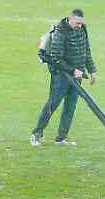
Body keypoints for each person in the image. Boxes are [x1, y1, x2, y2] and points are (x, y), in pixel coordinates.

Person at [31, 9, 98, 147]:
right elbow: (56, 59)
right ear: (70, 19)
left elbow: (86, 50)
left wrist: (92, 70)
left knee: (70, 106)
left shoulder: (82, 29)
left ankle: (61, 137)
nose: (80, 26)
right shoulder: (59, 33)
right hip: (61, 76)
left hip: (76, 75)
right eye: (77, 23)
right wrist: (73, 70)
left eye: (81, 23)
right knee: (52, 104)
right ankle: (37, 134)